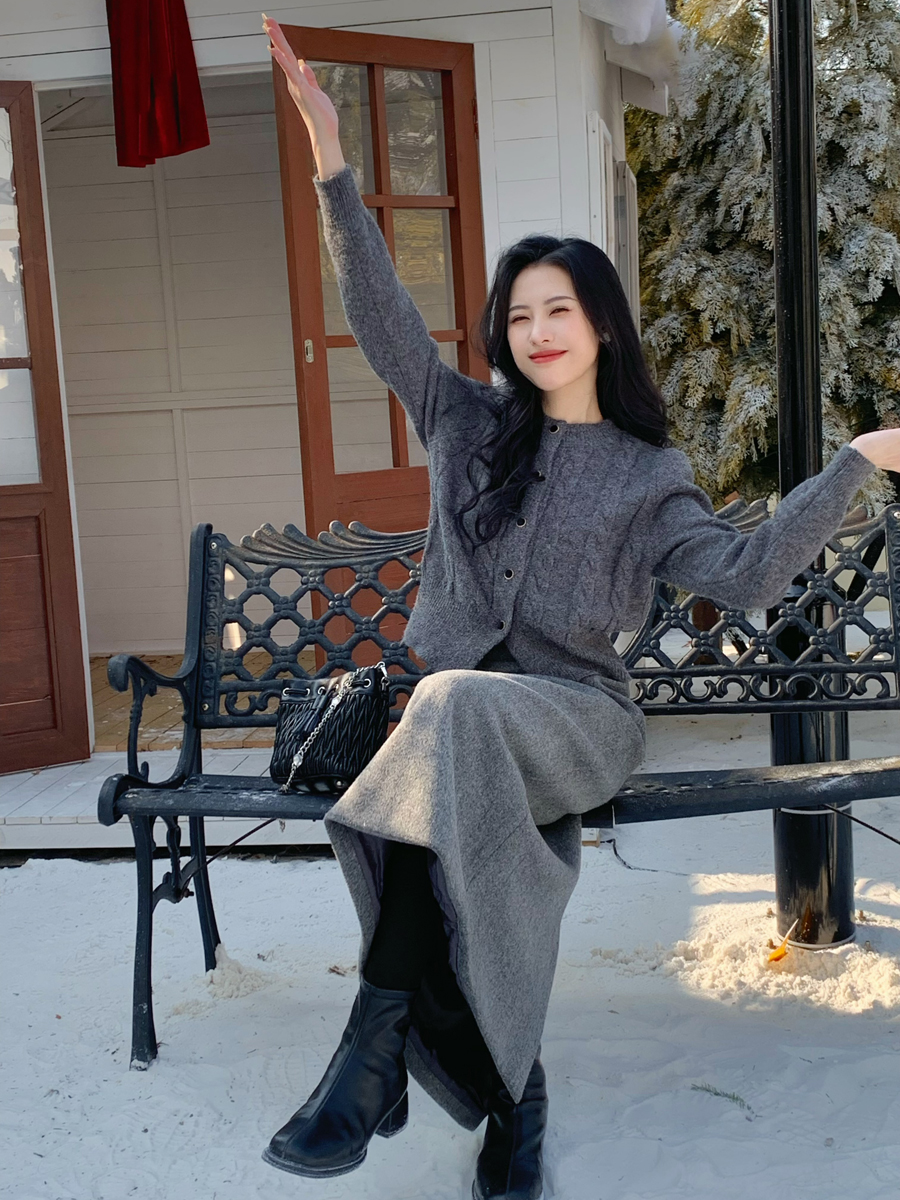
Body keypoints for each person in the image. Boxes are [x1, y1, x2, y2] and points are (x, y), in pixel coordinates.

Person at [261, 15, 896, 1198]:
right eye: (518, 315)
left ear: (600, 321)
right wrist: (332, 158)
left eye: (558, 308)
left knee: (447, 713)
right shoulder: (467, 423)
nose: (537, 331)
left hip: (577, 722)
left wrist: (854, 460)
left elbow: (748, 576)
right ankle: (496, 1095)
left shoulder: (649, 472)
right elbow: (381, 315)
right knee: (442, 752)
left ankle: (373, 1059)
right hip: (448, 722)